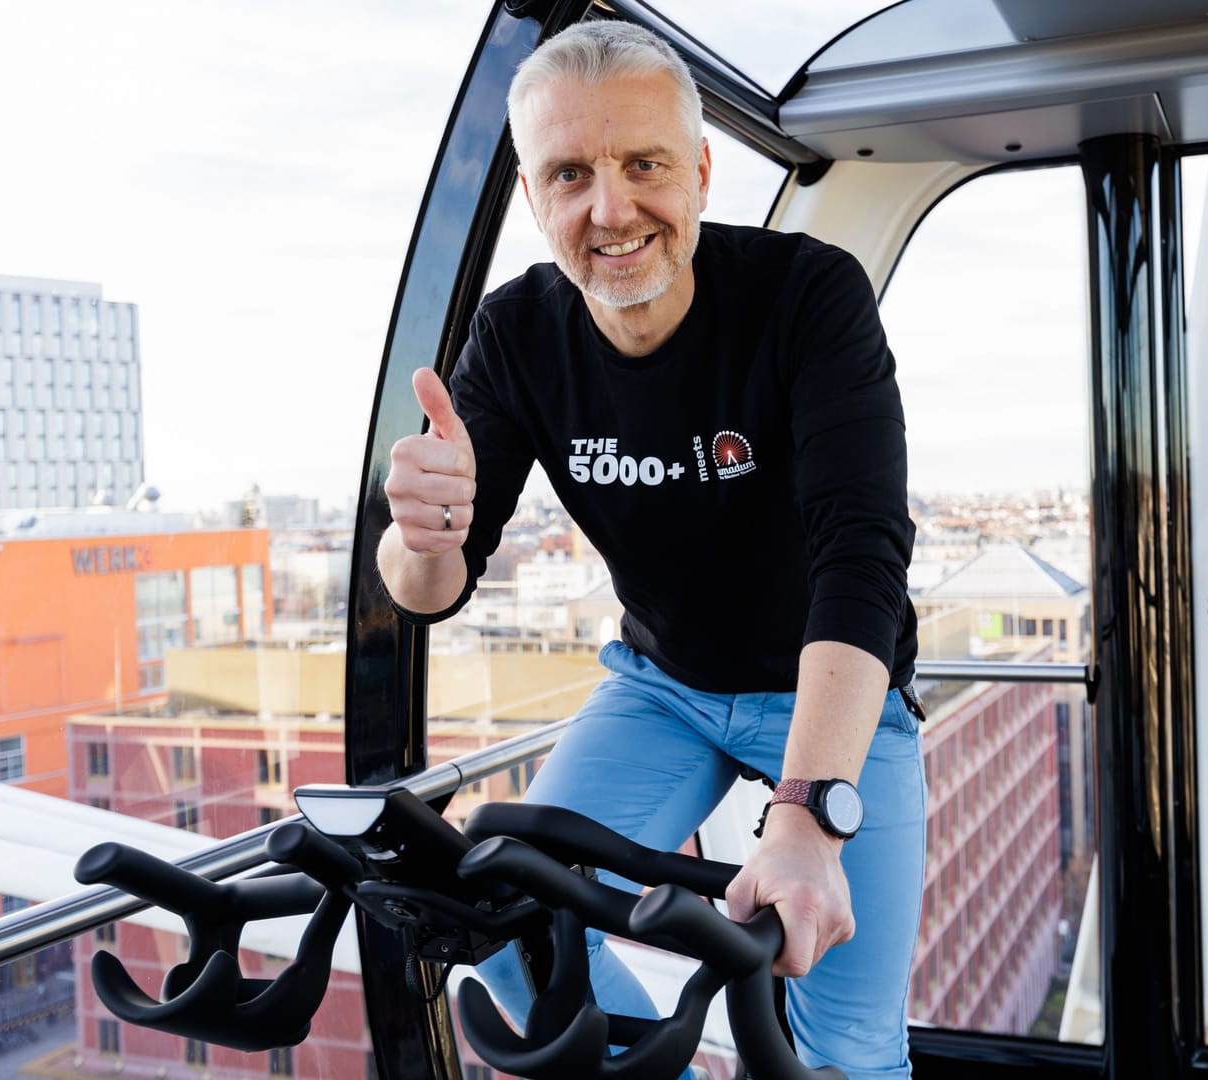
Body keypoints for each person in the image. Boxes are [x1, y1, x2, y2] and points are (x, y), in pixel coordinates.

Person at [375, 19, 923, 1078]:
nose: (611, 208)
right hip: (661, 685)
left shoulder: (808, 297)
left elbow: (862, 559)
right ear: (534, 197)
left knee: (847, 1047)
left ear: (703, 172)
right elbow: (425, 590)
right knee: (513, 928)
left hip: (827, 695)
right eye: (571, 173)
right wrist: (423, 535)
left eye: (644, 165)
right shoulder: (517, 332)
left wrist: (810, 813)